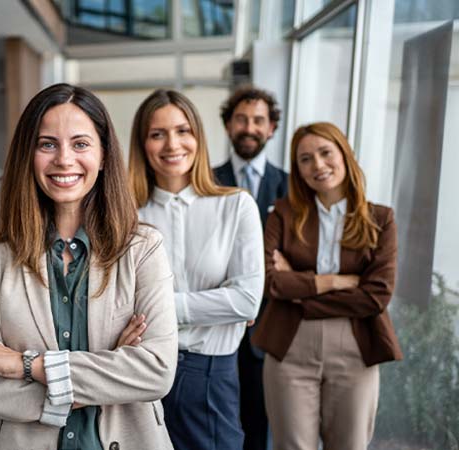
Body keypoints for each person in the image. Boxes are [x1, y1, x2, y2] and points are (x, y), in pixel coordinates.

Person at [0, 83, 178, 450]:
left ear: (104, 154)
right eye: (47, 144)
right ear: (28, 155)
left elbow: (156, 371)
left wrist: (28, 367)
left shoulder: (143, 249)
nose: (64, 159)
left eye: (80, 144)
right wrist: (108, 370)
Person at [252, 122, 402, 450]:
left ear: (344, 154)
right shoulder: (283, 215)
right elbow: (267, 281)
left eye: (325, 153)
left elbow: (375, 296)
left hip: (356, 345)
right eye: (305, 159)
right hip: (289, 345)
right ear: (298, 170)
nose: (317, 165)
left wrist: (299, 290)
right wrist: (334, 282)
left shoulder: (381, 219)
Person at [129, 89, 264, 450]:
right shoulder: (126, 216)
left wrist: (159, 309)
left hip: (209, 378)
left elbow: (247, 301)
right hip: (136, 372)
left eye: (182, 130)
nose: (172, 144)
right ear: (142, 144)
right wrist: (217, 305)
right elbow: (113, 303)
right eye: (157, 134)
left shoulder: (236, 206)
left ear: (198, 138)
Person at [213, 85, 288, 450]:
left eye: (259, 120)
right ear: (228, 125)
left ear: (271, 128)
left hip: (269, 330)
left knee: (259, 427)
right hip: (214, 324)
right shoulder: (207, 183)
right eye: (241, 119)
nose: (249, 127)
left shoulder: (292, 186)